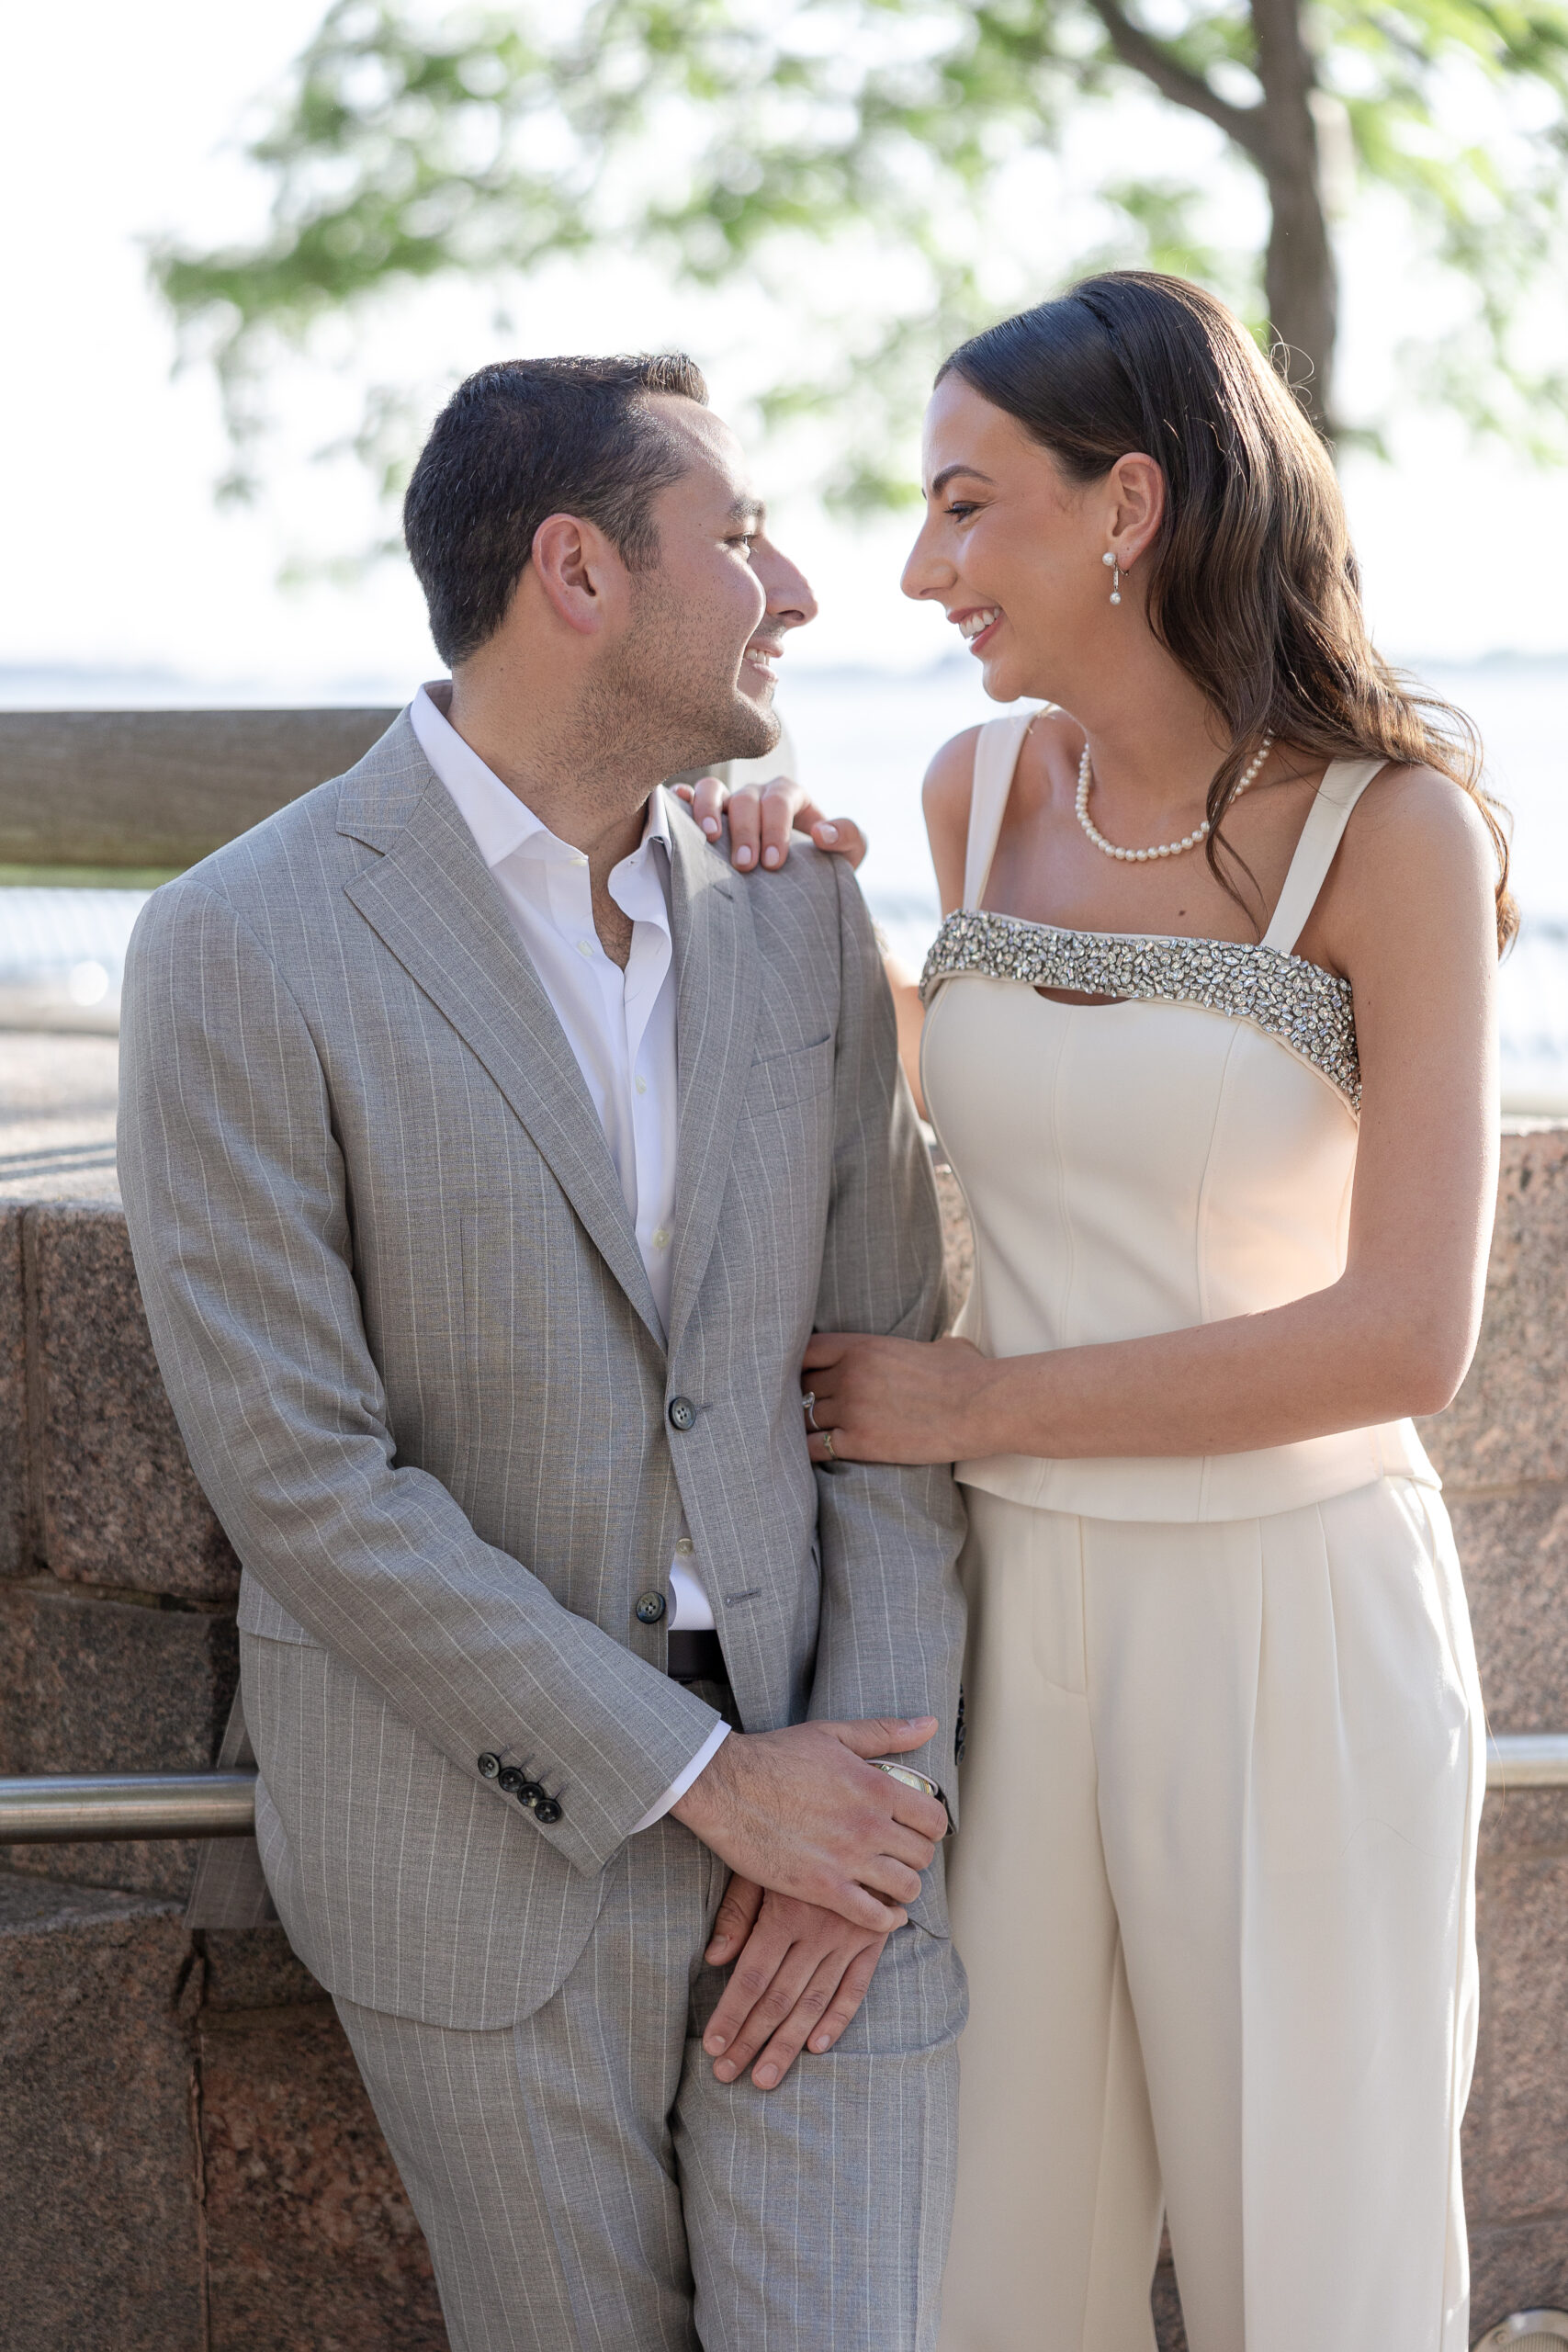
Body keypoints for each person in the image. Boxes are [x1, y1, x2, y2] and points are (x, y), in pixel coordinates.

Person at [684, 271, 1504, 2352]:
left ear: (1123, 502)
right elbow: (964, 1104)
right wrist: (771, 885)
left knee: (1308, 2280)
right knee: (984, 2278)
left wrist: (976, 1397)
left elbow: (1406, 1335)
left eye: (966, 507)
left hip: (1290, 1631)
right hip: (1012, 1624)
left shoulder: (1384, 832)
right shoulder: (971, 795)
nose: (912, 566)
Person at [117, 352, 967, 2352]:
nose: (798, 588)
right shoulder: (237, 942)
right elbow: (301, 1474)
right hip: (472, 1851)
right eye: (740, 534)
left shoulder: (795, 906)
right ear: (576, 569)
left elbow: (886, 1368)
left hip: (839, 1838)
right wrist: (700, 1779)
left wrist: (860, 1793)